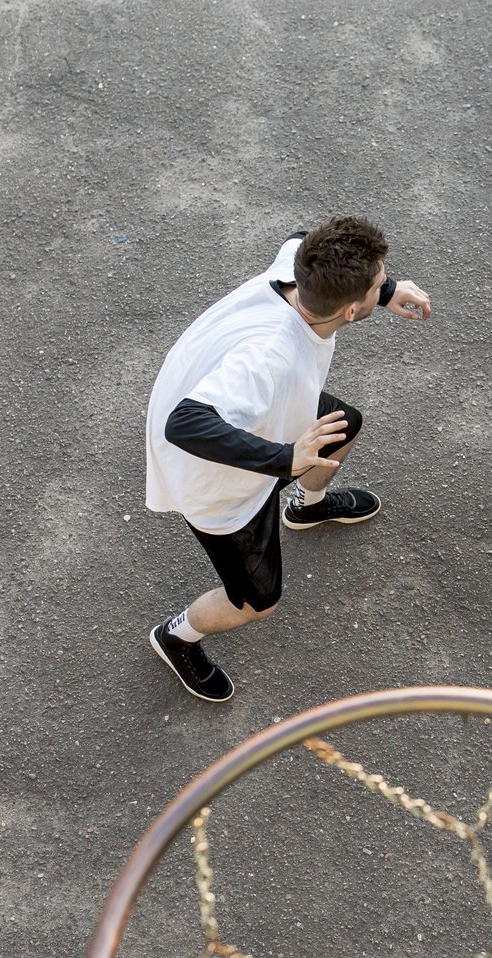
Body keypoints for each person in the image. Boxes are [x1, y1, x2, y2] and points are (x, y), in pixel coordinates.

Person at [145, 217, 432, 702]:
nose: (388, 282)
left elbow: (302, 232)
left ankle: (307, 505)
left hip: (254, 413)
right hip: (215, 478)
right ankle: (176, 636)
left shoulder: (297, 264)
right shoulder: (270, 357)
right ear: (347, 309)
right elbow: (186, 425)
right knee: (257, 601)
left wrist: (385, 293)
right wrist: (285, 458)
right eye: (378, 283)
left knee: (343, 423)